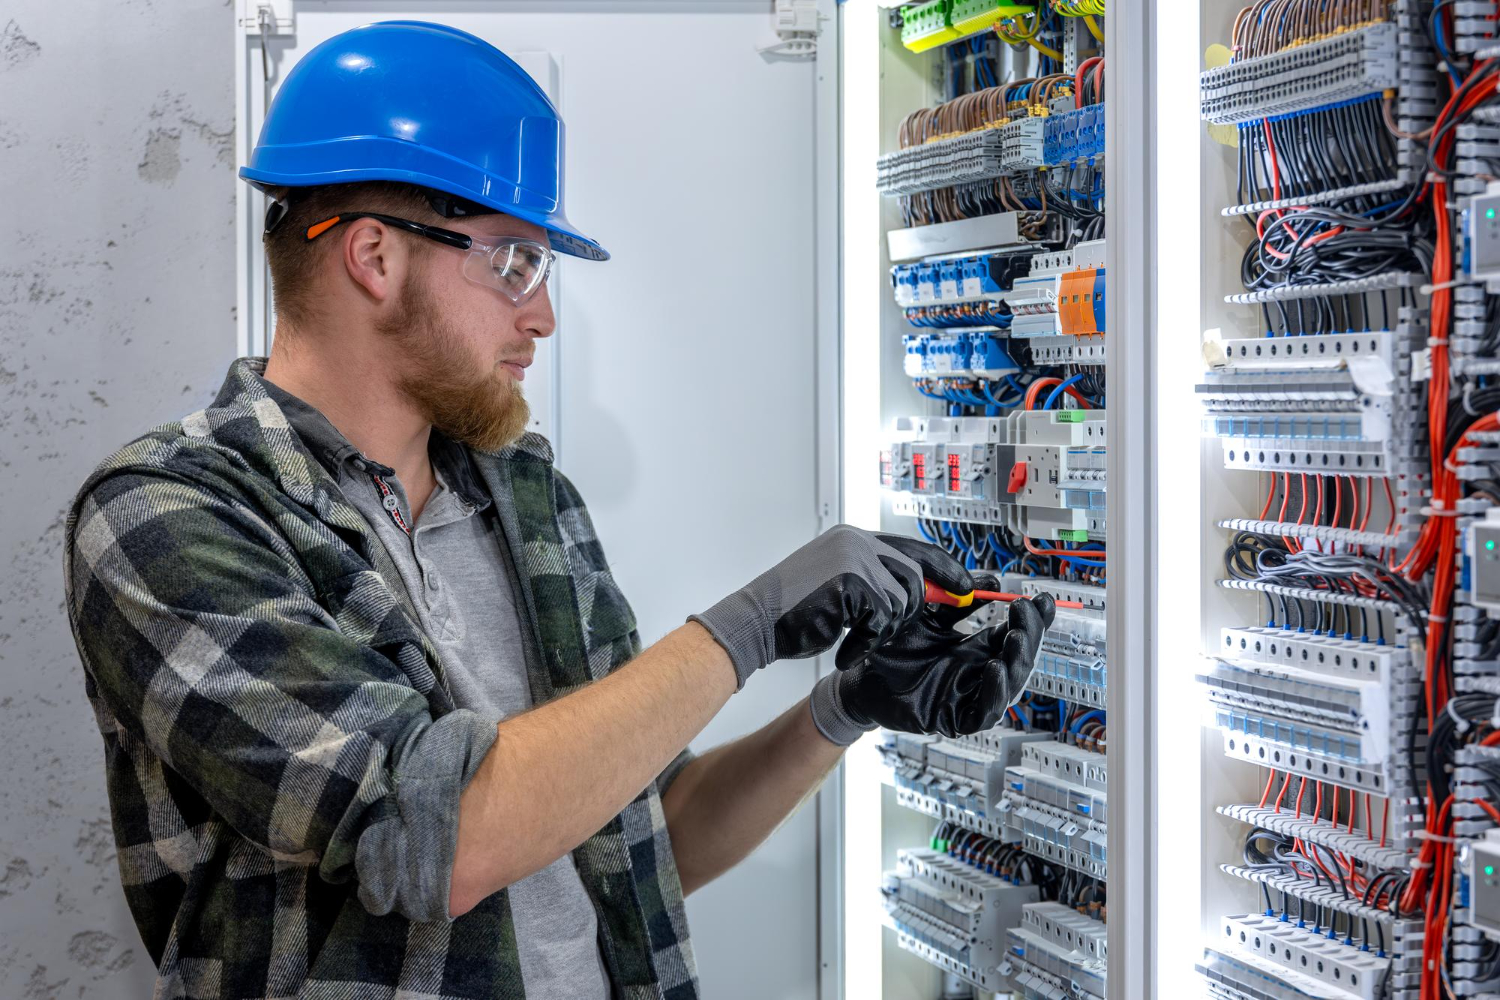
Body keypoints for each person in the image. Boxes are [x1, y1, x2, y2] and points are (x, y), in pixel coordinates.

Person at [62, 20, 1052, 1000]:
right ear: (373, 255)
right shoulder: (169, 519)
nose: (539, 313)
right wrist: (747, 628)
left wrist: (842, 710)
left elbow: (635, 836)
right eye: (515, 263)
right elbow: (436, 837)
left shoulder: (526, 500)